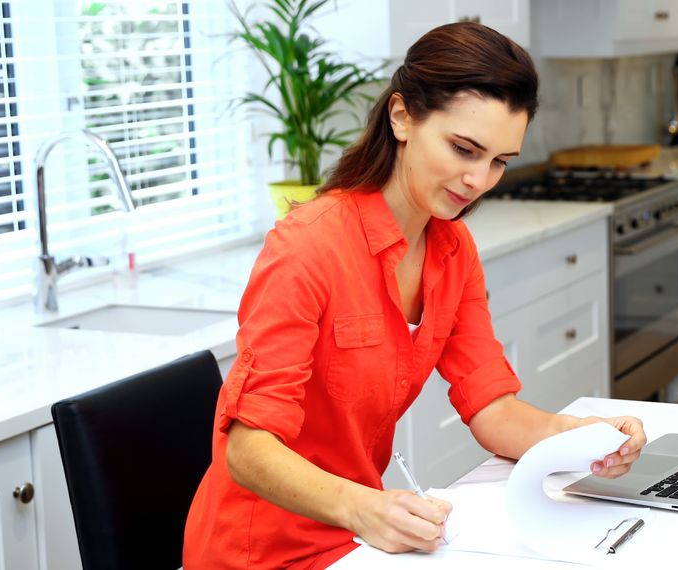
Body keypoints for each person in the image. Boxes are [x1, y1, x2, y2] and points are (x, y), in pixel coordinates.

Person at [183, 22, 647, 570]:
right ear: (402, 117)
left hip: (362, 539)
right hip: (262, 551)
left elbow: (492, 408)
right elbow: (247, 448)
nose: (478, 179)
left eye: (499, 161)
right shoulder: (307, 247)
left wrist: (582, 439)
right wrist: (362, 507)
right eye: (463, 148)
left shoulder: (452, 248)